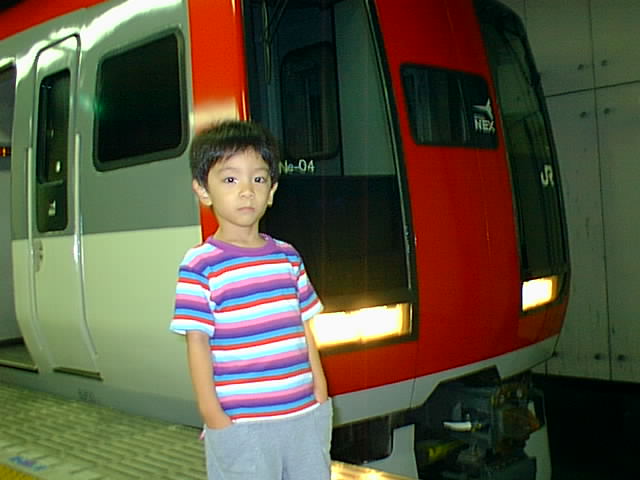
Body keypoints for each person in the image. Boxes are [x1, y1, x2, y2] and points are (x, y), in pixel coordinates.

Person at [170, 120, 332, 480]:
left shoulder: (287, 256)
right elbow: (197, 343)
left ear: (271, 191)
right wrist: (212, 414)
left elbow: (305, 327)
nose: (246, 191)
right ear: (203, 190)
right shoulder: (200, 264)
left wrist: (319, 391)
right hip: (242, 423)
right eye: (230, 179)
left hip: (304, 415)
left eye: (258, 179)